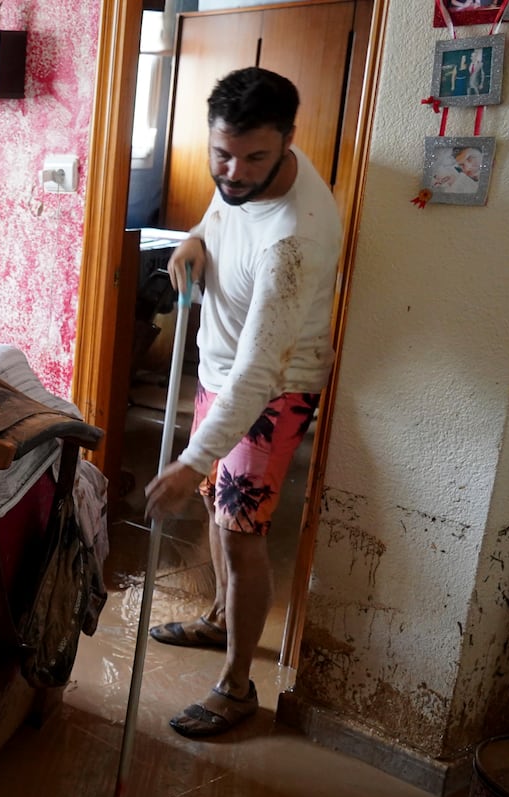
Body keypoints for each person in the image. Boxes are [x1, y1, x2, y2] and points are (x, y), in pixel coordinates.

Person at [144, 67, 341, 738]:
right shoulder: (240, 173)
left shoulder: (296, 238)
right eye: (221, 152)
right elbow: (221, 209)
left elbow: (262, 372)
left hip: (271, 390)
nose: (233, 170)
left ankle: (236, 686)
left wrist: (190, 457)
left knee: (239, 529)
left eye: (254, 156)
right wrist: (196, 238)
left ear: (288, 142)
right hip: (221, 372)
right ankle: (221, 617)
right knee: (212, 504)